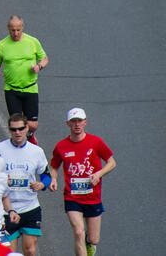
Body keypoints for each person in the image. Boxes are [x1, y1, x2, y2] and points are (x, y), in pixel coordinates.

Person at [49, 108, 116, 256]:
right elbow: (54, 165)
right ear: (68, 124)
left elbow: (111, 162)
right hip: (72, 197)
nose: (77, 124)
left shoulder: (96, 142)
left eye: (79, 121)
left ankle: (88, 244)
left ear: (85, 122)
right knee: (79, 232)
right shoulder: (61, 146)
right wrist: (53, 179)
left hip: (93, 197)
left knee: (93, 239)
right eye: (73, 121)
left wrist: (99, 174)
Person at [0, 113, 50, 256]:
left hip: (30, 207)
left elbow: (46, 176)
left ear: (26, 129)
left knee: (30, 250)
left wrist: (41, 185)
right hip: (7, 209)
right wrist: (1, 180)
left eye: (20, 129)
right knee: (8, 253)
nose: (17, 132)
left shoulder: (36, 151)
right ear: (9, 130)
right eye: (13, 129)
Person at [0, 16, 48, 140]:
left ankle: (30, 135)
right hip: (11, 89)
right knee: (16, 125)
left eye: (18, 30)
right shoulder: (2, 45)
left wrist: (39, 66)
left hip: (30, 88)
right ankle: (18, 147)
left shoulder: (33, 41)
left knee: (32, 125)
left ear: (22, 28)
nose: (15, 33)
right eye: (12, 30)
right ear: (8, 29)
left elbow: (44, 59)